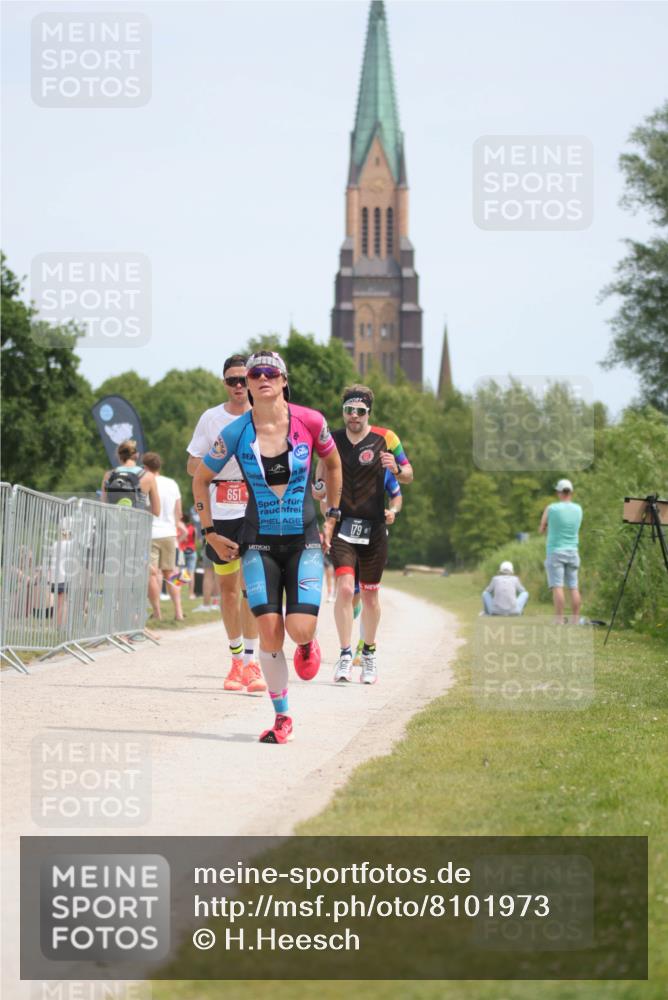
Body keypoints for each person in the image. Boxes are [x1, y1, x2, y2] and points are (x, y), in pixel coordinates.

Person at [193, 350, 342, 744]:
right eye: (254, 373)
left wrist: (332, 516)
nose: (261, 379)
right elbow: (200, 478)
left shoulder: (310, 421)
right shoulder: (236, 432)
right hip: (257, 543)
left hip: (303, 540)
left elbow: (335, 464)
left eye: (269, 372)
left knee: (299, 628)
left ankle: (308, 643)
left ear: (283, 380)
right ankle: (283, 718)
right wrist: (208, 530)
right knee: (270, 634)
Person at [324, 384, 413, 685]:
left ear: (368, 413)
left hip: (374, 528)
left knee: (371, 595)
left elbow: (409, 473)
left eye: (359, 411)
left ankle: (370, 654)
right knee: (346, 590)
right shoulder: (332, 439)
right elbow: (320, 475)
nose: (353, 416)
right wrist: (318, 489)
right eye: (349, 410)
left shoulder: (387, 438)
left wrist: (397, 470)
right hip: (343, 527)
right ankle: (346, 654)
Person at [186, 355, 262, 692]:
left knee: (252, 587)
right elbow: (191, 465)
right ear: (224, 383)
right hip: (220, 509)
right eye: (231, 380)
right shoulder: (211, 418)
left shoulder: (263, 415)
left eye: (242, 380)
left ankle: (253, 661)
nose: (237, 386)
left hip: (254, 507)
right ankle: (235, 661)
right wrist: (217, 464)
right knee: (228, 592)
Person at [142, 452, 186, 622]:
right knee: (173, 574)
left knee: (152, 575)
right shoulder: (172, 483)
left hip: (151, 532)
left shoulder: (145, 482)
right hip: (169, 533)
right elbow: (179, 512)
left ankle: (157, 612)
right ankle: (179, 611)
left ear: (145, 467)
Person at [539, 478, 583, 624]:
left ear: (559, 492)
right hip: (573, 551)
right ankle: (575, 620)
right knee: (574, 587)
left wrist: (547, 527)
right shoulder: (578, 509)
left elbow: (541, 529)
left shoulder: (551, 508)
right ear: (571, 492)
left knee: (558, 586)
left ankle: (558, 619)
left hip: (556, 551)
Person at [101, 439, 160, 515]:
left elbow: (103, 504)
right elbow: (156, 511)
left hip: (113, 524)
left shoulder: (109, 475)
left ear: (119, 456)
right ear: (137, 455)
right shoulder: (148, 477)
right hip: (136, 524)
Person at [179, 511, 198, 599]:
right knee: (191, 573)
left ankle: (180, 593)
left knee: (181, 572)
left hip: (182, 551)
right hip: (192, 551)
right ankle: (191, 594)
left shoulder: (179, 528)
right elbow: (196, 539)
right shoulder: (193, 528)